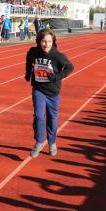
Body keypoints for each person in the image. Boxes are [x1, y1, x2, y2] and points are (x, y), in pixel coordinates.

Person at [25, 29, 75, 158]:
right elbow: (29, 60)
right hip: (38, 89)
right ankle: (40, 141)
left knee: (52, 118)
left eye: (49, 42)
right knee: (39, 116)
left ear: (53, 42)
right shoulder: (33, 52)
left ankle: (52, 143)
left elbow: (70, 67)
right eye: (43, 41)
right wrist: (28, 73)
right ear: (39, 42)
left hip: (53, 92)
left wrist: (57, 76)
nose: (46, 44)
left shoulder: (57, 56)